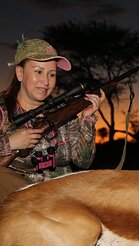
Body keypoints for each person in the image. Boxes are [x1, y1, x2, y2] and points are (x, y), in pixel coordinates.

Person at [0, 38, 105, 200]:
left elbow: (83, 162)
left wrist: (87, 119)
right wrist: (9, 143)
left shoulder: (62, 112)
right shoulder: (2, 109)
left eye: (52, 74)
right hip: (18, 201)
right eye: (38, 71)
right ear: (20, 73)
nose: (46, 81)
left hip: (62, 197)